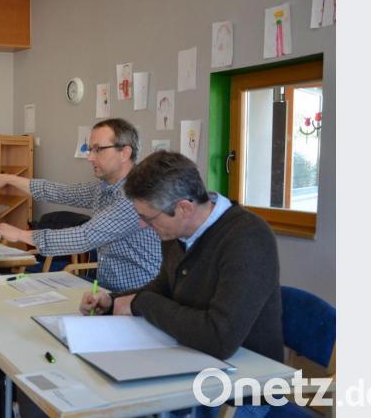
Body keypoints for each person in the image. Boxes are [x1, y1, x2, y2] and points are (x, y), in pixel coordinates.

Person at [80, 151, 282, 415]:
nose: (143, 225)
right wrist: (114, 300)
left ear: (184, 208)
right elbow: (164, 287)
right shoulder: (178, 231)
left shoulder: (247, 239)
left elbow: (217, 338)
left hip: (245, 391)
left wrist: (141, 303)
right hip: (190, 366)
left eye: (149, 218)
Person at [0, 118, 161, 292]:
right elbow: (60, 192)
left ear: (124, 153)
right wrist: (9, 179)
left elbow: (85, 236)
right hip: (105, 288)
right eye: (90, 149)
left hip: (138, 294)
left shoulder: (135, 196)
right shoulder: (104, 188)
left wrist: (20, 235)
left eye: (98, 149)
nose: (90, 157)